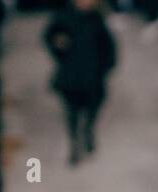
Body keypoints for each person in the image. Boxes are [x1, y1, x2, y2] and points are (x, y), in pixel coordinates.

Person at [43, 0, 116, 166]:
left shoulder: (97, 19)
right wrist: (58, 46)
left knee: (93, 109)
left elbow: (108, 46)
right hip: (71, 77)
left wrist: (105, 66)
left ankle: (88, 131)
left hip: (93, 77)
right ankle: (75, 144)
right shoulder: (63, 17)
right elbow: (50, 37)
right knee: (72, 113)